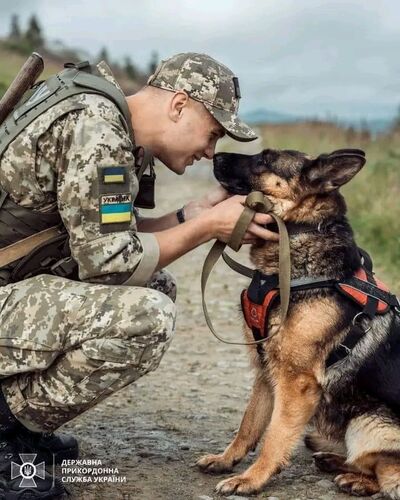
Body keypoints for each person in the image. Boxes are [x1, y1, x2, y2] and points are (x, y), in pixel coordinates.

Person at [0, 52, 278, 498]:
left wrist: (190, 215)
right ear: (179, 104)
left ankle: (18, 429)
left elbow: (105, 236)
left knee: (155, 285)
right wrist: (209, 226)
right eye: (212, 133)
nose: (210, 152)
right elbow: (112, 265)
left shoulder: (107, 121)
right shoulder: (97, 130)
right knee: (145, 315)